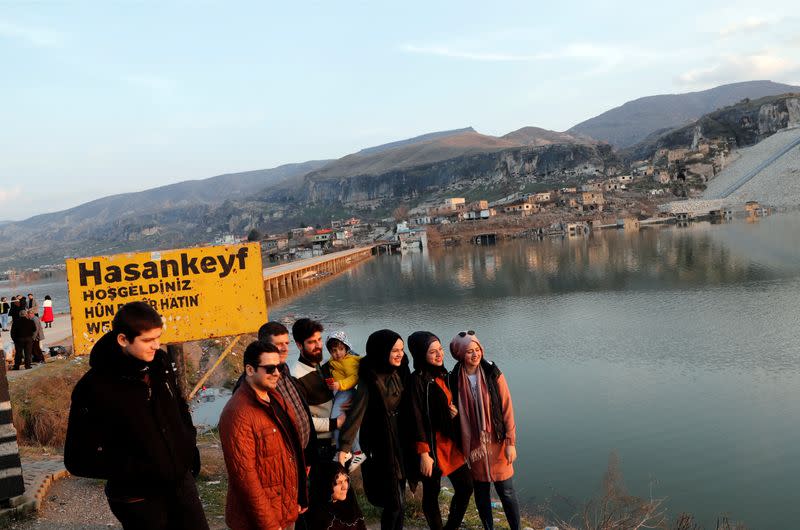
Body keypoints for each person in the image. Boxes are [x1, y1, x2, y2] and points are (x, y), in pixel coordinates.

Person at [64, 301, 208, 530]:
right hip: (138, 498)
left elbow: (179, 409)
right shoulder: (93, 387)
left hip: (181, 486)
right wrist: (138, 470)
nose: (156, 345)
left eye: (158, 337)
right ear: (123, 339)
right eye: (148, 340)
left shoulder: (160, 363)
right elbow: (77, 459)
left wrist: (188, 450)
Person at [219, 340, 308, 530]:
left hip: (284, 510)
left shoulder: (275, 397)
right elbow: (245, 478)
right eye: (269, 368)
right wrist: (269, 525)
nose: (277, 373)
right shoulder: (238, 413)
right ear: (250, 370)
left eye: (280, 367)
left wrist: (298, 498)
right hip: (262, 521)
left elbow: (289, 451)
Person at [337, 329, 410, 530]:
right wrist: (344, 447)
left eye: (401, 350)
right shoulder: (370, 379)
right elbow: (356, 415)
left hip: (401, 443)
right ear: (382, 350)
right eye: (395, 350)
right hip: (382, 446)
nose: (400, 354)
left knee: (400, 501)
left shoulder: (399, 371)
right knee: (394, 504)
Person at [448, 330, 519, 530]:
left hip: (496, 442)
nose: (475, 354)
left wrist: (510, 442)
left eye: (477, 349)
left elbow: (507, 409)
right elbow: (450, 410)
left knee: (506, 492)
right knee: (481, 493)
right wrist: (451, 412)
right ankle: (489, 528)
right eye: (469, 351)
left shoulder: (492, 372)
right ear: (461, 354)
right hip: (474, 447)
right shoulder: (453, 379)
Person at [407, 331, 473, 530]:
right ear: (420, 354)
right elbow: (416, 418)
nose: (439, 355)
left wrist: (452, 415)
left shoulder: (442, 375)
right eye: (432, 352)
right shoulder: (416, 381)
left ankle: (451, 527)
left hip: (449, 443)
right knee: (431, 492)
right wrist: (424, 454)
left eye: (440, 349)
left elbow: (447, 406)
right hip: (430, 447)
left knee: (466, 486)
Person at [290, 318, 344, 461]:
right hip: (320, 447)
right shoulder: (296, 376)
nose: (318, 345)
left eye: (319, 340)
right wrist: (336, 423)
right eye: (311, 342)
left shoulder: (323, 365)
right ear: (299, 345)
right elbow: (301, 420)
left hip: (338, 441)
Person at [325, 330, 366, 470]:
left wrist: (339, 385)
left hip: (346, 392)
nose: (338, 353)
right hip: (339, 393)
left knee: (336, 420)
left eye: (341, 349)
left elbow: (355, 378)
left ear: (347, 347)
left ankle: (348, 451)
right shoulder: (333, 362)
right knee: (345, 421)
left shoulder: (350, 361)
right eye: (334, 351)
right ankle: (346, 450)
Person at [306, 462, 367, 530]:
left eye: (346, 480)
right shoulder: (317, 515)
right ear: (326, 485)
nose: (345, 487)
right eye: (339, 483)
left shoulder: (351, 507)